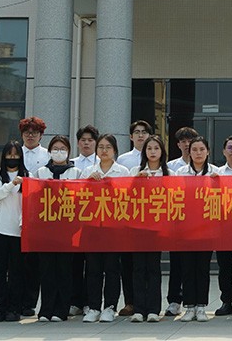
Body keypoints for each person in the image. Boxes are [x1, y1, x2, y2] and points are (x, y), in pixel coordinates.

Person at [83, 134, 130, 323]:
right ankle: (93, 306)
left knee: (112, 268)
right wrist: (88, 182)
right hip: (92, 227)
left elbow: (129, 198)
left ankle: (110, 306)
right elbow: (78, 197)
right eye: (101, 147)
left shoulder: (123, 171)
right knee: (93, 268)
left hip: (114, 227)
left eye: (108, 147)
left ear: (115, 150)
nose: (104, 150)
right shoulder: (88, 171)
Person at [34, 135, 80, 322]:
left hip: (66, 228)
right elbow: (34, 198)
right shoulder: (40, 172)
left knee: (64, 269)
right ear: (49, 151)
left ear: (68, 152)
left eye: (63, 149)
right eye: (55, 148)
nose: (59, 152)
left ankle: (61, 309)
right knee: (46, 270)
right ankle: (46, 309)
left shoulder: (76, 172)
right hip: (46, 227)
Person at [176, 136, 219, 322]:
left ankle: (201, 306)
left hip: (206, 228)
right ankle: (189, 306)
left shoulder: (215, 173)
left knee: (202, 268)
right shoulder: (180, 173)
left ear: (208, 152)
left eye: (202, 149)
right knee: (187, 268)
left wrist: (218, 183)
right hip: (186, 228)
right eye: (194, 150)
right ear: (189, 152)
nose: (198, 153)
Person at [129, 134, 168, 322]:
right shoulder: (135, 170)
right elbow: (126, 197)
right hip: (138, 227)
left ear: (162, 152)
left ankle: (153, 309)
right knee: (138, 268)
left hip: (158, 228)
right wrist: (136, 181)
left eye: (156, 148)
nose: (153, 152)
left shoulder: (168, 173)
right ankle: (138, 309)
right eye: (149, 148)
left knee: (153, 268)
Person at [0, 140, 27, 322]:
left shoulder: (27, 175)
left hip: (19, 230)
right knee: (0, 270)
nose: (13, 158)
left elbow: (29, 202)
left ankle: (14, 307)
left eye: (16, 155)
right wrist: (11, 184)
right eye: (9, 154)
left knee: (17, 271)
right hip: (0, 229)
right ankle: (0, 307)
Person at [116, 120, 153, 317]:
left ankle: (149, 303)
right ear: (131, 137)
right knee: (128, 264)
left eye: (144, 132)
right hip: (129, 219)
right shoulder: (123, 161)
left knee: (149, 266)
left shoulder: (158, 159)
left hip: (152, 219)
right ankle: (130, 302)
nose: (140, 135)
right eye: (137, 132)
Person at [164, 126, 198, 317]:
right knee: (176, 263)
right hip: (177, 223)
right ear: (178, 145)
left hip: (199, 224)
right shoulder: (171, 168)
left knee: (194, 265)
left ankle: (194, 301)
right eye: (183, 141)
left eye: (189, 141)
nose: (186, 145)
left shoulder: (207, 168)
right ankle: (174, 301)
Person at [18, 116, 49, 316]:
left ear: (41, 135)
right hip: (16, 208)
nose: (31, 136)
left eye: (35, 132)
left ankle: (29, 302)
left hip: (38, 211)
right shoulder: (15, 153)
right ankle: (16, 300)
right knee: (17, 261)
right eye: (27, 132)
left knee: (34, 262)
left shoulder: (47, 156)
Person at [70, 124, 99, 316]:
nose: (86, 143)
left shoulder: (103, 163)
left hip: (96, 220)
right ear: (78, 143)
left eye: (90, 140)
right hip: (74, 219)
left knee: (93, 264)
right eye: (83, 140)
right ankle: (75, 301)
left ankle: (90, 301)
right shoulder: (71, 164)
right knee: (75, 263)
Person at [214, 135, 232, 316]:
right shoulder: (216, 173)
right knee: (224, 267)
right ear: (224, 151)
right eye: (229, 147)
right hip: (222, 227)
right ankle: (226, 301)